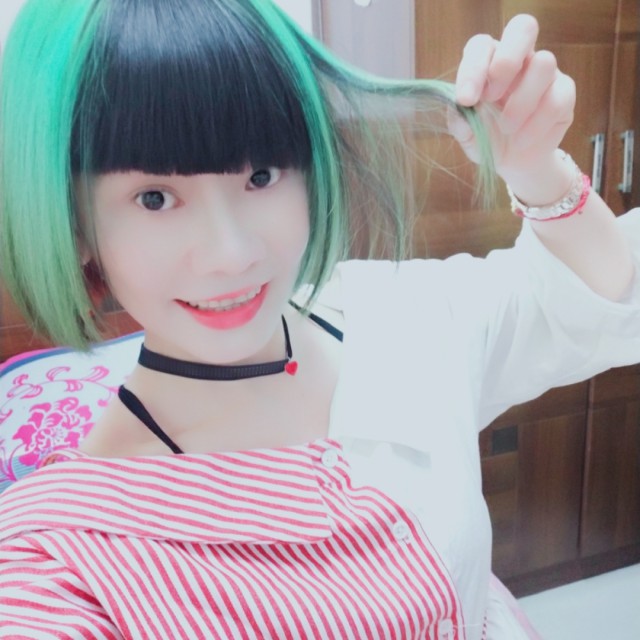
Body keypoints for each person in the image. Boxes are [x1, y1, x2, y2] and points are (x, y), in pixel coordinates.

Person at [1, 0, 640, 638]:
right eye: (154, 198)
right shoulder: (61, 557)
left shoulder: (396, 315)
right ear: (74, 222)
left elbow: (595, 302)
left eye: (260, 175)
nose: (233, 254)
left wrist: (533, 166)